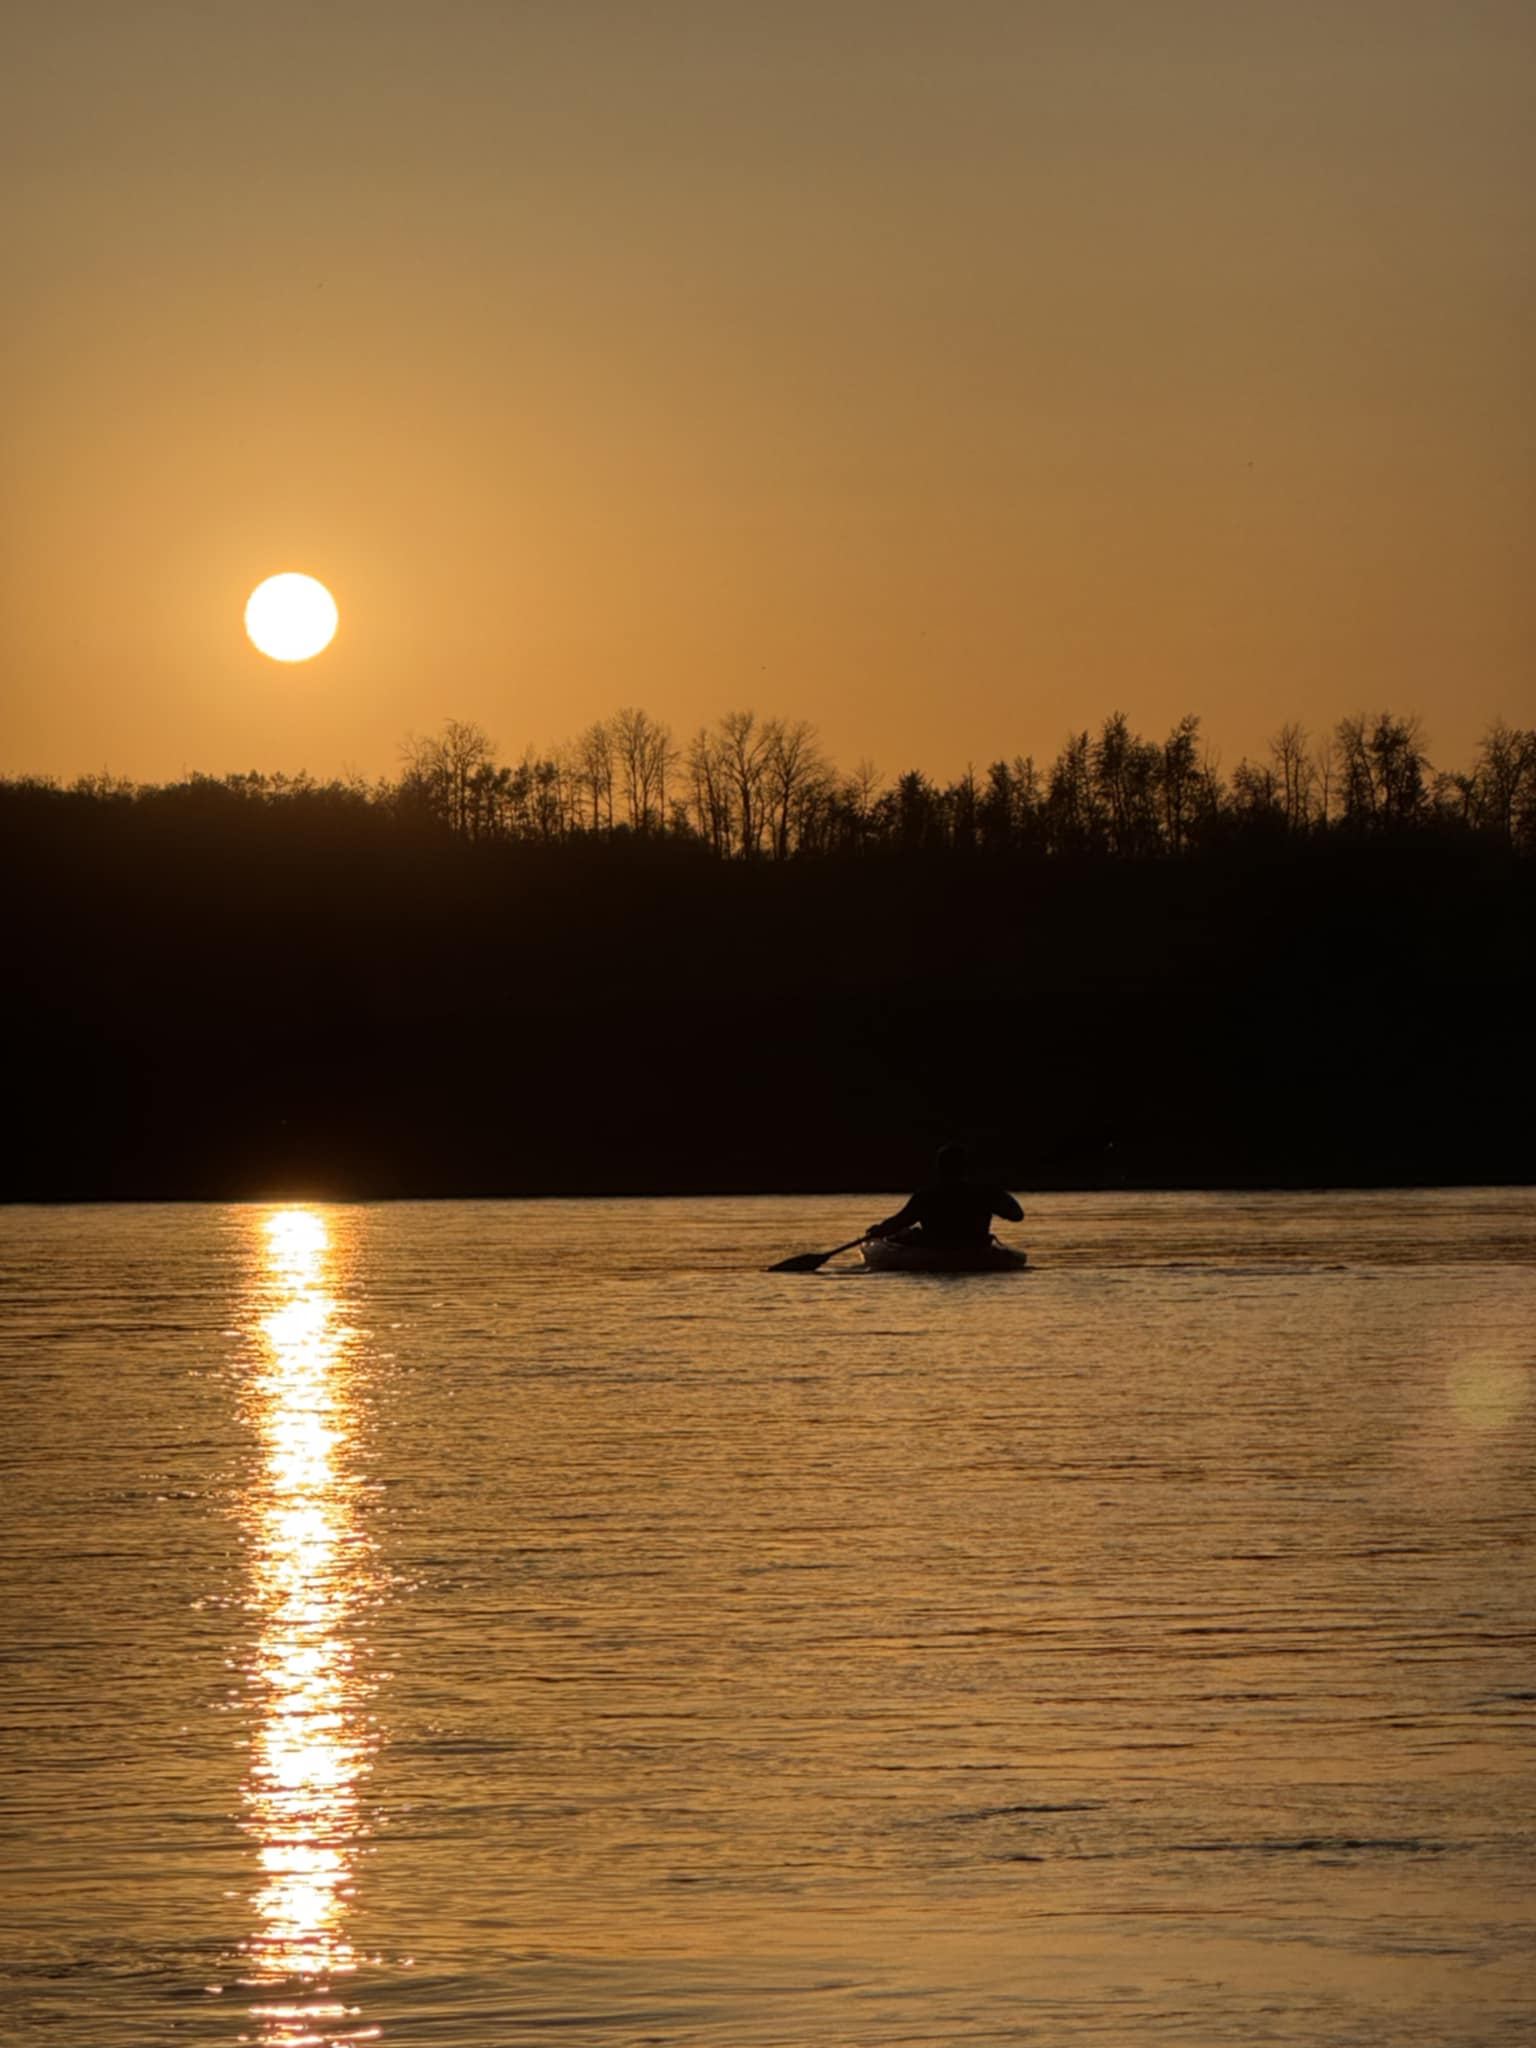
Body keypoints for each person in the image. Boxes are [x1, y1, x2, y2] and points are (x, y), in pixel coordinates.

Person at [868, 1144, 1023, 1249]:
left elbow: (901, 1221)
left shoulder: (926, 1195)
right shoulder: (985, 1192)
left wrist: (879, 1230)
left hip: (937, 1247)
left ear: (939, 1168)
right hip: (975, 1245)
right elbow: (1017, 1215)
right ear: (965, 1167)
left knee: (906, 1234)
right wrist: (998, 1192)